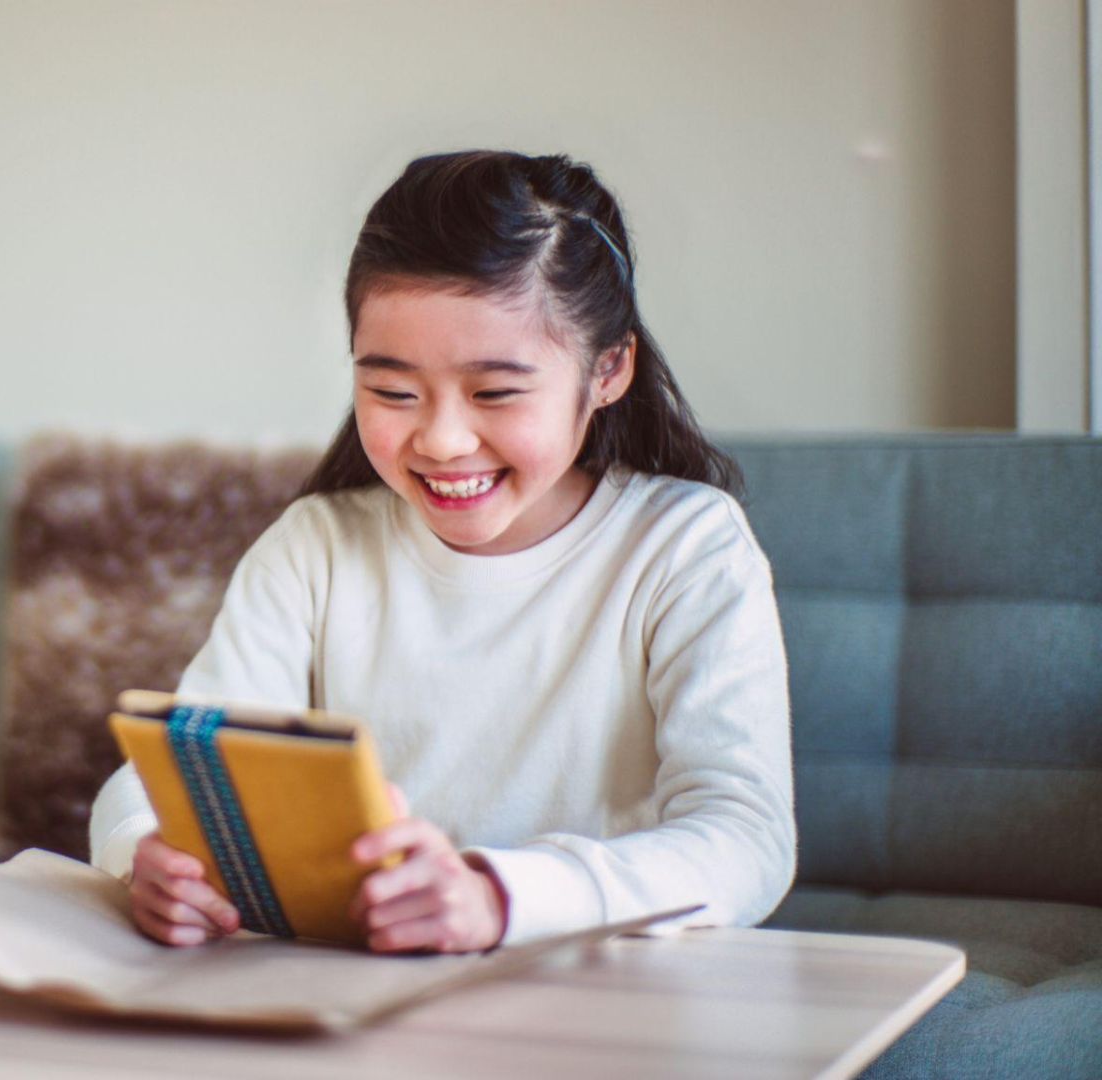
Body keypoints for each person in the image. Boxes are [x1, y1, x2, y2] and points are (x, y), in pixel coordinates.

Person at [87, 149, 796, 953]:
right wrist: (143, 854)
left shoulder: (682, 547)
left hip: (594, 992)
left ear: (608, 370)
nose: (443, 439)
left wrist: (498, 898)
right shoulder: (317, 548)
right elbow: (169, 776)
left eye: (495, 392)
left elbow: (745, 842)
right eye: (392, 392)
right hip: (347, 993)